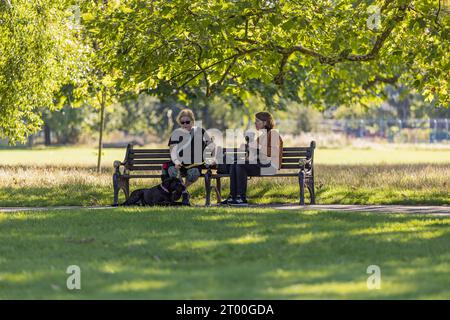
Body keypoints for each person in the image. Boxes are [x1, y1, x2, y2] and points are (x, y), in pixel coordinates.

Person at [222, 112, 283, 206]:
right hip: (261, 164)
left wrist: (257, 146)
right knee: (235, 163)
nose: (255, 123)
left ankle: (241, 198)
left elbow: (273, 152)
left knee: (240, 164)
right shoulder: (261, 136)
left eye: (258, 121)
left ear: (265, 123)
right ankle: (233, 196)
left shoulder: (273, 133)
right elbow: (254, 153)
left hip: (270, 166)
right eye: (255, 121)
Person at [163, 108, 214, 205]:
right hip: (179, 164)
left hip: (194, 164)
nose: (185, 125)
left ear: (193, 121)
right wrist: (176, 161)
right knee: (172, 171)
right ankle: (184, 193)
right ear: (180, 123)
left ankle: (181, 191)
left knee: (194, 173)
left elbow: (211, 144)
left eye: (187, 122)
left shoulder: (201, 131)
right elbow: (172, 149)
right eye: (182, 123)